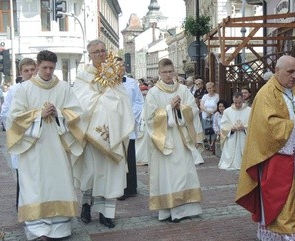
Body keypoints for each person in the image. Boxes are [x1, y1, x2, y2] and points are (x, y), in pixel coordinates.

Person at [236, 55, 295, 241]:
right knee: (283, 200)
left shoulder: (294, 90)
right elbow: (268, 126)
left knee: (293, 199)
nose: (294, 76)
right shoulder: (266, 93)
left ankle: (279, 239)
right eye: (290, 72)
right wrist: (294, 124)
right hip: (276, 157)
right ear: (277, 70)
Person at [6, 50, 84, 241]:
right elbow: (13, 118)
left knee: (58, 182)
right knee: (35, 186)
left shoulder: (64, 88)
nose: (48, 72)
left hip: (57, 147)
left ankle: (60, 229)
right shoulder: (25, 89)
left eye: (51, 68)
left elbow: (76, 114)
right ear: (38, 66)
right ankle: (38, 231)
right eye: (44, 68)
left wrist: (58, 114)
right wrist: (39, 115)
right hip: (34, 148)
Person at [72, 39, 135, 228]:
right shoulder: (83, 77)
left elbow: (123, 100)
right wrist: (105, 99)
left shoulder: (115, 75)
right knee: (90, 173)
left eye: (103, 51)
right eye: (96, 52)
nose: (101, 54)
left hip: (114, 134)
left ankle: (106, 213)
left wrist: (108, 98)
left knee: (110, 174)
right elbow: (80, 102)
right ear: (89, 55)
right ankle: (85, 206)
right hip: (91, 135)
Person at [144, 58, 203, 222]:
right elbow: (149, 118)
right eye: (164, 72)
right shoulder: (153, 93)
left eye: (170, 71)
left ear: (174, 72)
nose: (168, 75)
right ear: (159, 73)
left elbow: (194, 109)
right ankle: (170, 210)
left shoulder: (183, 89)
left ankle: (188, 208)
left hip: (182, 138)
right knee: (169, 176)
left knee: (185, 173)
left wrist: (181, 109)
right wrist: (169, 108)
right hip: (165, 141)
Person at [0, 57, 37, 209]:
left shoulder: (42, 89)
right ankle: (21, 207)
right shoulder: (14, 91)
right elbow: (5, 113)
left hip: (38, 140)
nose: (29, 73)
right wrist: (23, 121)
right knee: (22, 177)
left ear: (36, 69)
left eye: (32, 70)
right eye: (26, 71)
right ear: (21, 73)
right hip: (21, 138)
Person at [117, 57, 145, 200]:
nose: (121, 68)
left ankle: (130, 188)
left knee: (129, 157)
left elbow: (139, 102)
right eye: (118, 66)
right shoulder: (107, 83)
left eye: (122, 66)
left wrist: (129, 116)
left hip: (129, 125)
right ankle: (117, 188)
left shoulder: (132, 83)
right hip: (115, 126)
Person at [218, 92, 251, 170]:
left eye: (239, 102)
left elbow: (254, 123)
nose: (238, 105)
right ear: (233, 101)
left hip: (244, 136)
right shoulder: (227, 111)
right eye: (236, 103)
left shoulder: (249, 110)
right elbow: (223, 125)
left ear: (243, 100)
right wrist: (231, 129)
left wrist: (245, 127)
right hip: (232, 136)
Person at [200, 82, 219, 149]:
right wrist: (207, 111)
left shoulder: (217, 96)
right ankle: (207, 143)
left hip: (213, 114)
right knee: (206, 129)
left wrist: (211, 112)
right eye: (208, 88)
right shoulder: (205, 96)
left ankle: (212, 143)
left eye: (210, 88)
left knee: (213, 129)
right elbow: (201, 105)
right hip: (205, 114)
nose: (209, 89)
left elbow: (218, 106)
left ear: (213, 88)